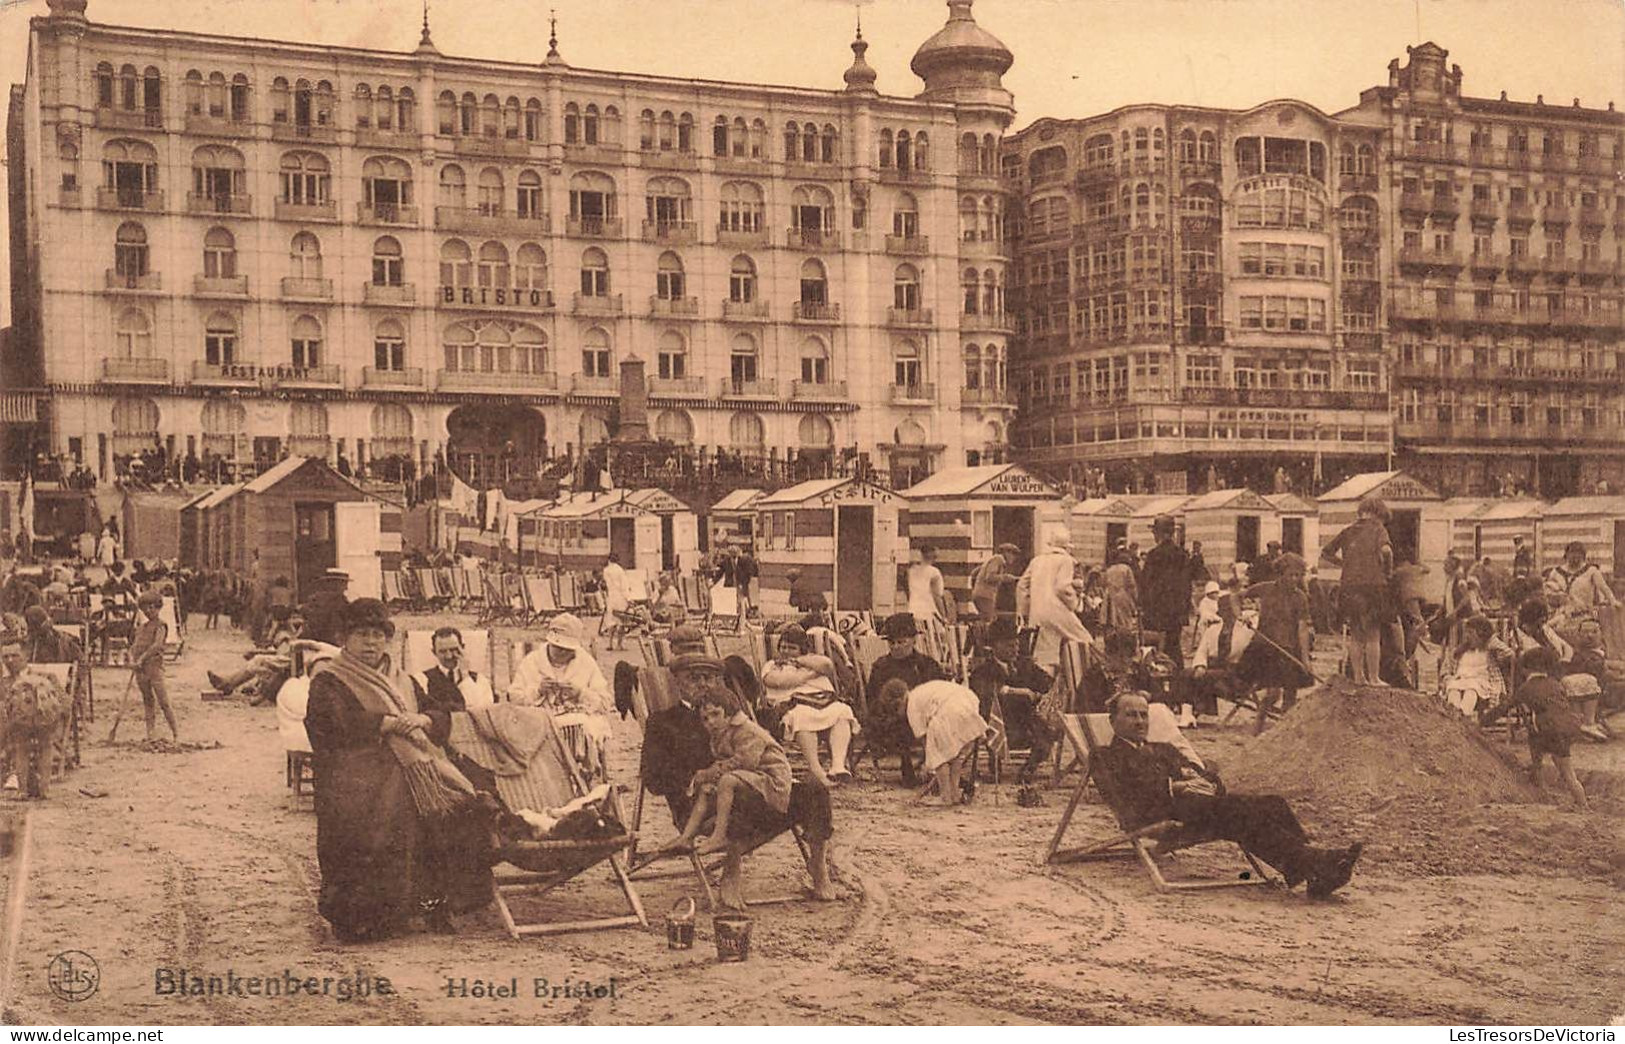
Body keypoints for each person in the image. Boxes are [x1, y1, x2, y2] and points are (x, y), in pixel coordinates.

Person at [303, 598, 493, 941]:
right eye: (362, 635)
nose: (371, 643)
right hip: (353, 771)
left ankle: (430, 905)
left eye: (378, 635)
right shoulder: (330, 679)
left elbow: (444, 709)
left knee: (461, 799)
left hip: (408, 765)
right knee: (384, 809)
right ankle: (365, 917)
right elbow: (326, 725)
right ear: (345, 638)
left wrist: (423, 718)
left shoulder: (402, 679)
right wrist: (384, 723)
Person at [1091, 693, 1363, 896]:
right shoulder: (1105, 756)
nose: (1140, 721)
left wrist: (1207, 783)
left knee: (1272, 803)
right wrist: (1174, 786)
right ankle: (1317, 865)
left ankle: (1311, 869)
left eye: (1143, 714)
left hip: (1197, 806)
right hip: (1157, 815)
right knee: (1241, 814)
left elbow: (1206, 775)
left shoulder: (1163, 749)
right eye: (1131, 715)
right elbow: (1121, 795)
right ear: (1113, 720)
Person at [665, 680, 837, 907]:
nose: (710, 722)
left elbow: (746, 760)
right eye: (705, 719)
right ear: (676, 678)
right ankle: (720, 863)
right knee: (727, 792)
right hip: (731, 792)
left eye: (716, 715)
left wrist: (713, 772)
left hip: (761, 783)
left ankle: (818, 865)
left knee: (816, 791)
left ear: (729, 712)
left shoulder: (740, 726)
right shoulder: (667, 721)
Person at [640, 627, 725, 828]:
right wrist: (696, 778)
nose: (703, 684)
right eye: (694, 678)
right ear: (677, 683)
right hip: (697, 807)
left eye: (708, 678)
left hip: (741, 793)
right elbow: (652, 778)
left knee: (811, 796)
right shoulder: (663, 723)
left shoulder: (727, 714)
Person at [507, 613, 614, 766]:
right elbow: (514, 700)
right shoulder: (532, 662)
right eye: (558, 648)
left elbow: (605, 703)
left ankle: (580, 770)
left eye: (567, 649)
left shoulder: (585, 662)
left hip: (577, 726)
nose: (563, 653)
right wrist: (537, 691)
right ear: (549, 643)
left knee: (584, 727)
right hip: (541, 723)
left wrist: (580, 693)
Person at [759, 624, 858, 787]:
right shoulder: (772, 665)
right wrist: (809, 674)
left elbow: (827, 665)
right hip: (793, 703)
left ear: (802, 650)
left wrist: (798, 661)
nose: (785, 651)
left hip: (822, 701)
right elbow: (777, 681)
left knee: (842, 711)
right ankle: (817, 770)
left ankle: (837, 766)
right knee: (801, 716)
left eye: (791, 648)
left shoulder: (810, 661)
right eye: (783, 647)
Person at [967, 616, 1056, 784]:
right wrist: (1020, 692)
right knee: (994, 723)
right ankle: (995, 766)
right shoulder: (983, 670)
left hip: (1026, 721)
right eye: (1009, 645)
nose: (1015, 650)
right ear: (994, 647)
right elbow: (984, 693)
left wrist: (1046, 694)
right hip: (1000, 723)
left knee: (1048, 732)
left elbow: (1048, 684)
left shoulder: (1025, 665)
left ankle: (1029, 769)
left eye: (1016, 645)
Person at [875, 678, 990, 807]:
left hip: (949, 710)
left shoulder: (912, 706)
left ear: (899, 701)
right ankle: (955, 794)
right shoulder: (920, 690)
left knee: (939, 756)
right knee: (957, 757)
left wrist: (929, 764)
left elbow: (926, 742)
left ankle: (945, 797)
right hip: (968, 701)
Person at [863, 612, 946, 786]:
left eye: (901, 642)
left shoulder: (926, 665)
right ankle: (908, 767)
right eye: (892, 643)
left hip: (925, 716)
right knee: (901, 724)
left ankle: (939, 770)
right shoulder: (881, 667)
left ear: (914, 640)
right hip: (892, 720)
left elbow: (939, 693)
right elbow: (873, 698)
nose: (896, 647)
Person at [1319, 497, 1393, 685]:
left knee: (1356, 633)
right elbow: (1386, 552)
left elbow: (1325, 552)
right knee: (1373, 633)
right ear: (1378, 514)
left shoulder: (1348, 531)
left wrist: (1345, 564)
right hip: (1373, 586)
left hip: (1349, 586)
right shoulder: (1379, 529)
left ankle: (1359, 677)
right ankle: (1374, 678)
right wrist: (1387, 572)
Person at [1241, 553, 1315, 734]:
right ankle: (1258, 723)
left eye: (1299, 575)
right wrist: (1241, 615)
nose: (1295, 579)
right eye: (1291, 574)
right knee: (1273, 693)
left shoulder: (1300, 598)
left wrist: (1305, 659)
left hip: (1290, 648)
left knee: (1291, 691)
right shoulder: (1265, 589)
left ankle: (1284, 732)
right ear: (1280, 573)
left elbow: (1302, 628)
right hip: (1266, 648)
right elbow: (1236, 597)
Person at [1513, 647, 1587, 810]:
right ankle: (1582, 803)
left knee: (1536, 743)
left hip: (1548, 730)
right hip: (1566, 728)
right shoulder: (1556, 684)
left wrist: (1484, 721)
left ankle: (1541, 787)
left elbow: (1506, 706)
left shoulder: (1526, 688)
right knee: (1569, 773)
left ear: (1525, 669)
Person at [0, 637, 70, 798]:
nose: (10, 661)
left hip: (44, 724)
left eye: (15, 655)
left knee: (44, 743)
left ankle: (44, 789)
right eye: (5, 657)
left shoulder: (46, 676)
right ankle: (22, 789)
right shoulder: (3, 682)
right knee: (20, 743)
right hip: (14, 727)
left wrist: (53, 713)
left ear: (26, 655)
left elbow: (64, 702)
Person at [1017, 526, 1094, 670]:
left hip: (1037, 613)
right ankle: (1079, 676)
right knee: (1085, 641)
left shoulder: (1037, 560)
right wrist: (1074, 604)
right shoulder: (1066, 560)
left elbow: (1022, 586)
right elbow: (1062, 587)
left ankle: (1048, 684)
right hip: (1057, 610)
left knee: (1044, 653)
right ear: (1066, 547)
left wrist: (1026, 610)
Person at [1185, 593, 1255, 719]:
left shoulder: (1247, 629)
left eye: (1231, 610)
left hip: (1235, 673)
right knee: (1186, 673)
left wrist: (1248, 621)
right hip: (1216, 669)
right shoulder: (1214, 629)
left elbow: (1256, 622)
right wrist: (1200, 666)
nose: (1228, 614)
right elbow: (1202, 650)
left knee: (1207, 676)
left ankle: (1197, 709)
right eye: (1224, 610)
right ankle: (1187, 713)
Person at [1139, 516, 1191, 672]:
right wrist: (1183, 613)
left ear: (1159, 534)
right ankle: (1178, 684)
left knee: (1154, 652)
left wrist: (1143, 608)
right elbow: (1186, 586)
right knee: (1174, 649)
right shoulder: (1182, 555)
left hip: (1156, 614)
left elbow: (1145, 585)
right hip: (1176, 615)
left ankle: (1158, 686)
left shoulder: (1154, 555)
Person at [407, 626, 495, 717]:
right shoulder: (422, 680)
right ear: (434, 652)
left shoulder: (479, 681)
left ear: (462, 648)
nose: (449, 656)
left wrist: (465, 676)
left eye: (454, 650)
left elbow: (480, 713)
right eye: (443, 652)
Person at [129, 591, 178, 743]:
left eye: (152, 607)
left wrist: (142, 658)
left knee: (163, 701)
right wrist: (132, 659)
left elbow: (157, 645)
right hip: (140, 670)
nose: (149, 611)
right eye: (145, 608)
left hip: (154, 668)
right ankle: (150, 733)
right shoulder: (140, 628)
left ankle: (175, 732)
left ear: (158, 607)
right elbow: (133, 646)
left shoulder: (161, 625)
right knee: (147, 700)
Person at [1443, 615, 1513, 718]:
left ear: (1481, 634)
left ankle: (1464, 716)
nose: (1467, 636)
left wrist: (1490, 640)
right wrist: (1448, 679)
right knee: (1453, 690)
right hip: (1459, 681)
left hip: (1482, 684)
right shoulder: (1459, 652)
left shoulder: (1489, 651)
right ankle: (1454, 717)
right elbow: (1446, 670)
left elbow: (1509, 653)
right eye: (1466, 632)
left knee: (1471, 690)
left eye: (1471, 633)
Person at [1544, 541, 1619, 620]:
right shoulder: (1556, 572)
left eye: (1578, 554)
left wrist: (1613, 601)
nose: (1575, 557)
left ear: (1583, 556)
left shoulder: (1591, 571)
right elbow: (1547, 592)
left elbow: (1603, 587)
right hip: (1561, 616)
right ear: (1566, 555)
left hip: (1585, 616)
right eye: (1572, 553)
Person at [969, 544, 1020, 622]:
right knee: (989, 621)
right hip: (985, 595)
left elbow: (975, 572)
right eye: (1013, 554)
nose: (1014, 558)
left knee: (987, 619)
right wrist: (1005, 577)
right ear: (1006, 552)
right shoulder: (998, 559)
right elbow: (989, 577)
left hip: (983, 595)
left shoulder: (994, 560)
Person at [301, 569, 351, 647]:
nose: (346, 587)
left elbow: (305, 615)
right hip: (332, 641)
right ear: (335, 583)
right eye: (343, 583)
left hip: (312, 639)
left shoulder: (314, 598)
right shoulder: (340, 601)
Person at [906, 544, 950, 631]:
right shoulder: (935, 573)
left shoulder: (911, 571)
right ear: (934, 557)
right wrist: (944, 617)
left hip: (913, 611)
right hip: (930, 614)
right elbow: (937, 597)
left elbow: (908, 592)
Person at [600, 552, 631, 651]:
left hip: (611, 597)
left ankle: (610, 643)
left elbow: (605, 585)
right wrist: (628, 598)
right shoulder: (620, 570)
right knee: (621, 621)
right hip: (620, 597)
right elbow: (624, 586)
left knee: (611, 621)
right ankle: (619, 644)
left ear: (609, 560)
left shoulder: (606, 570)